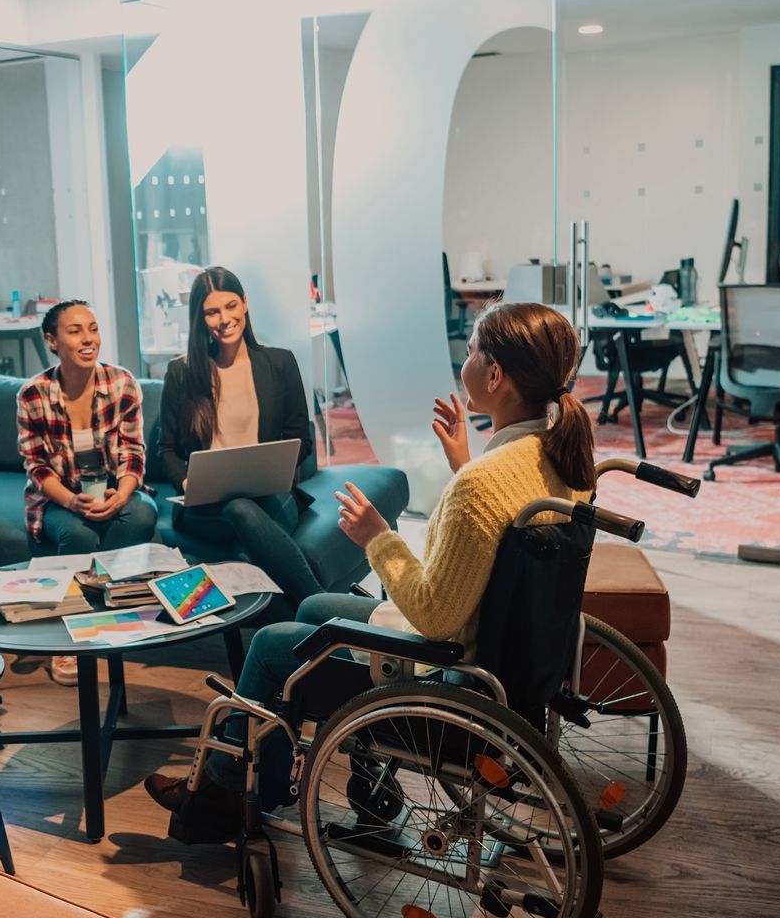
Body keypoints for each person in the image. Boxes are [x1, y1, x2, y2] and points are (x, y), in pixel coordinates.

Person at [145, 302, 597, 837]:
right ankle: (324, 781)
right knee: (313, 606)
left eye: (474, 350)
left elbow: (435, 616)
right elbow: (500, 525)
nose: (467, 360)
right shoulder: (559, 457)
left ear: (495, 375)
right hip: (509, 659)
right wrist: (464, 463)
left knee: (271, 645)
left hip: (447, 676)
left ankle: (222, 796)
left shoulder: (481, 485)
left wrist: (377, 537)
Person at [156, 267, 320, 607]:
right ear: (200, 319)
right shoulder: (182, 373)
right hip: (206, 509)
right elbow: (167, 450)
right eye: (212, 312)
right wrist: (187, 483)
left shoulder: (280, 363)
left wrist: (275, 466)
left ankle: (312, 617)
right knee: (240, 510)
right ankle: (321, 606)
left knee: (247, 512)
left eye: (231, 306)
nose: (224, 319)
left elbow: (300, 437)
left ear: (245, 304)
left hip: (272, 495)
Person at [17, 300, 156, 555]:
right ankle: (81, 591)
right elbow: (37, 467)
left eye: (93, 329)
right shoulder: (33, 394)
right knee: (78, 533)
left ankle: (106, 584)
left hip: (114, 487)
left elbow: (133, 451)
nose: (88, 339)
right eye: (75, 331)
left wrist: (121, 498)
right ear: (52, 340)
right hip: (60, 497)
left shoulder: (122, 383)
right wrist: (72, 501)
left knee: (143, 514)